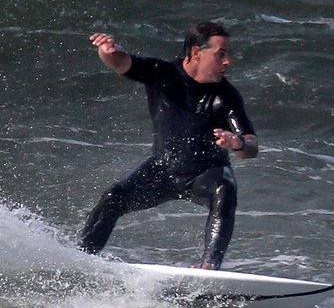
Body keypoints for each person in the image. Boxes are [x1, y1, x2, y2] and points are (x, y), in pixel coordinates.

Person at [79, 22, 258, 270]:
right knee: (112, 197)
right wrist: (107, 50)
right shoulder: (162, 73)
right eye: (221, 54)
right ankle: (81, 260)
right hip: (162, 170)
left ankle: (209, 268)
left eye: (228, 55)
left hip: (204, 175)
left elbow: (251, 145)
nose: (228, 62)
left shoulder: (226, 96)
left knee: (224, 190)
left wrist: (237, 143)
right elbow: (121, 62)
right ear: (196, 52)